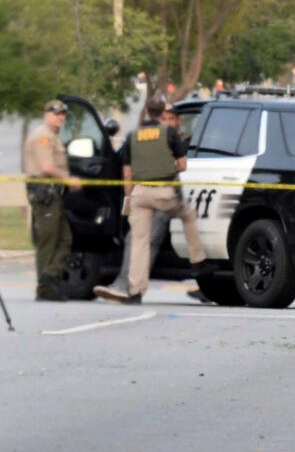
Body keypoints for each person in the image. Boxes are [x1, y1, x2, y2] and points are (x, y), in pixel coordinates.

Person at [96, 98, 214, 304]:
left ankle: (135, 291)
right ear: (162, 113)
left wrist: (128, 198)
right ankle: (198, 261)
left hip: (140, 194)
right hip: (164, 192)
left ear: (147, 112)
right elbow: (183, 165)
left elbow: (127, 172)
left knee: (139, 242)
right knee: (188, 215)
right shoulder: (168, 133)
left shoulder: (133, 136)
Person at [93, 103, 182, 302]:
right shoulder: (152, 140)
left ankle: (129, 287)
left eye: (171, 118)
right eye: (163, 118)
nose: (166, 122)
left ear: (177, 121)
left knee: (144, 238)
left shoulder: (180, 140)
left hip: (169, 197)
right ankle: (127, 285)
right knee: (136, 237)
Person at [22, 99, 83, 301]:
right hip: (44, 192)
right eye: (56, 113)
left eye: (63, 114)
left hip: (53, 192)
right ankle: (45, 286)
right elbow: (47, 166)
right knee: (48, 239)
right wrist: (68, 179)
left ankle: (50, 277)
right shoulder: (43, 137)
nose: (60, 117)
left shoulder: (52, 136)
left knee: (65, 237)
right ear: (46, 114)